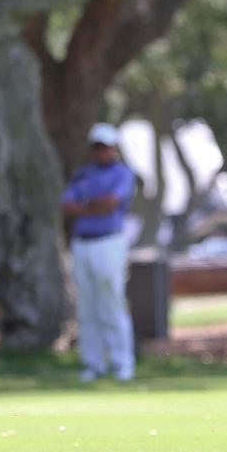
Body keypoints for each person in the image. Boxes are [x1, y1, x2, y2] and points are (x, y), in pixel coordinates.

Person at [62, 122, 139, 382]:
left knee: (110, 302)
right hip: (82, 243)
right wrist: (92, 206)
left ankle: (121, 363)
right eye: (97, 146)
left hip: (109, 242)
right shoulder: (83, 174)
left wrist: (88, 204)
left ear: (114, 147)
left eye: (105, 146)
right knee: (86, 307)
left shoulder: (122, 173)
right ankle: (93, 364)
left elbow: (111, 203)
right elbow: (68, 204)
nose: (101, 151)